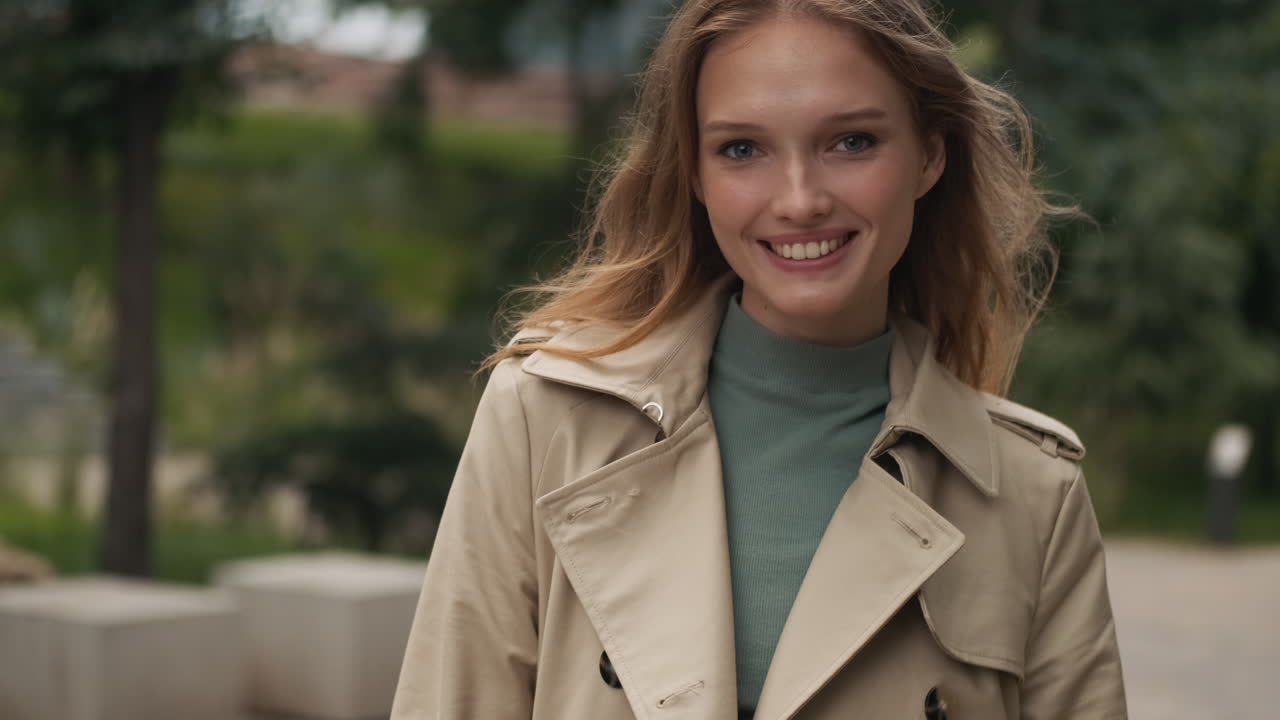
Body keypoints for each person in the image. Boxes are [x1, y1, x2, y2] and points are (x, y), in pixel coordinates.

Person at [391, 0, 1128, 717]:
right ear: (695, 173)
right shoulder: (544, 418)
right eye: (742, 149)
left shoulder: (1033, 496)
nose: (800, 201)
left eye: (852, 142)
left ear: (930, 154)